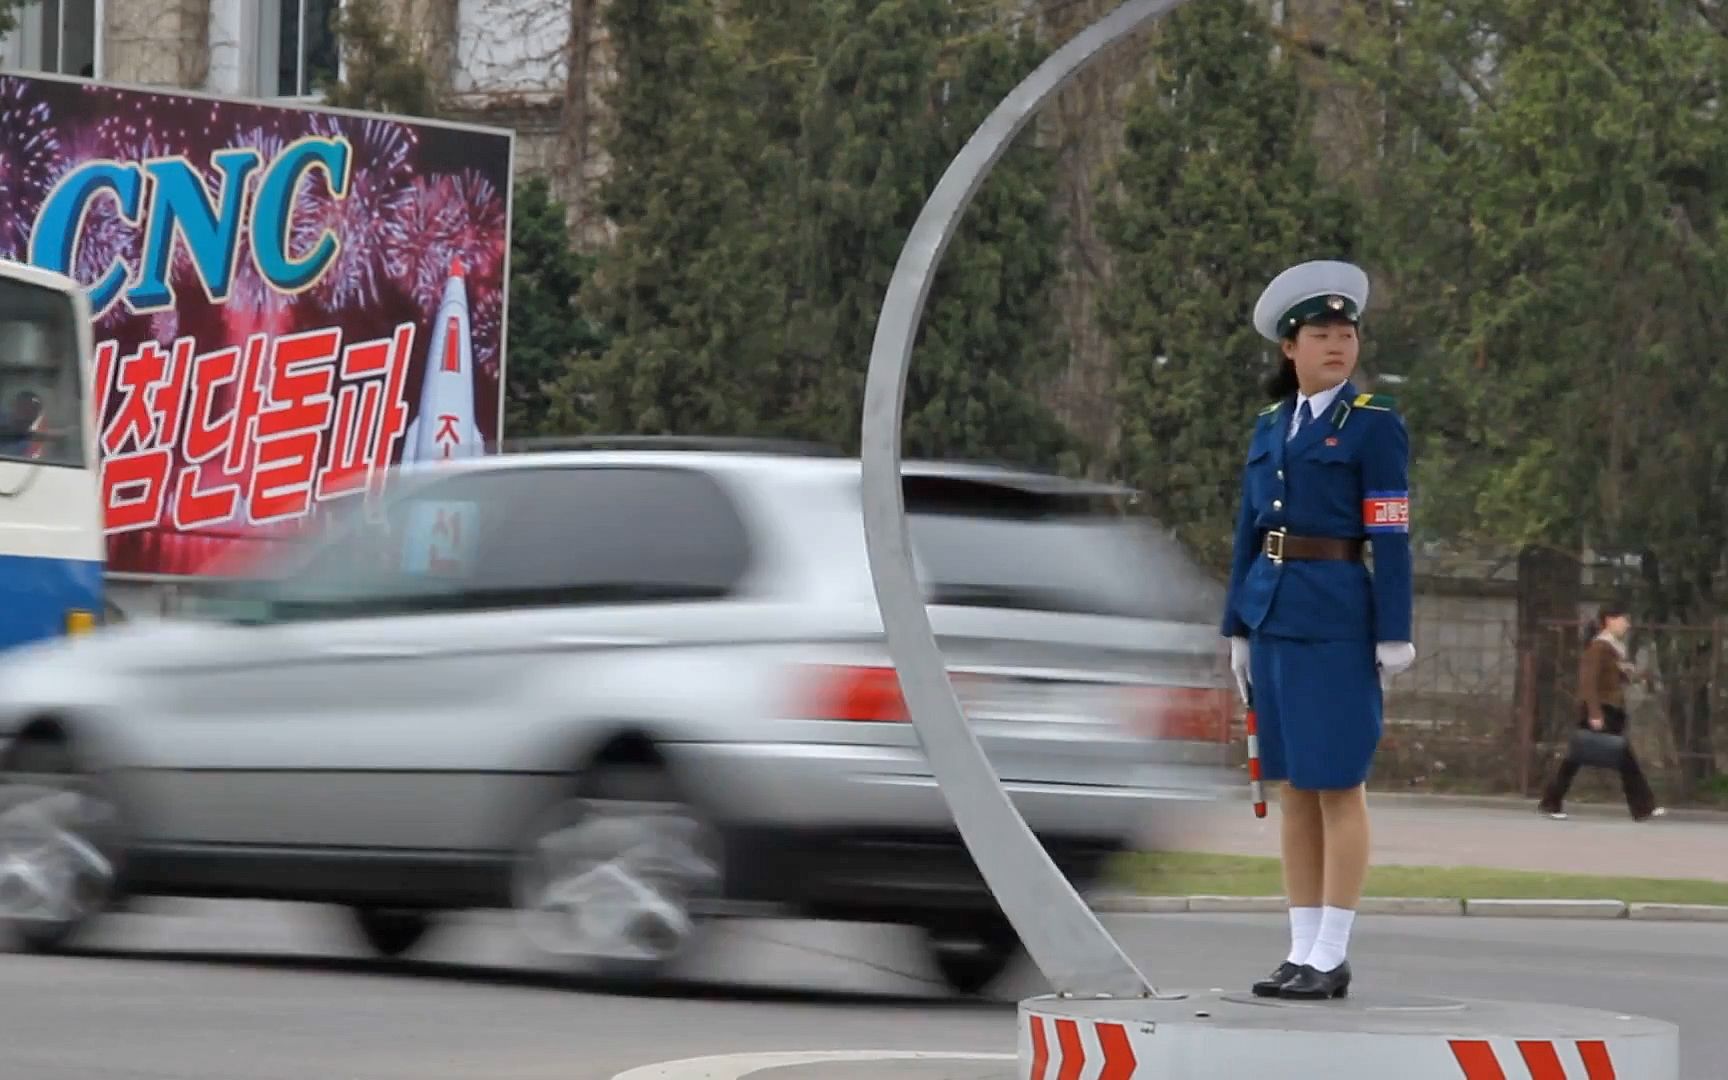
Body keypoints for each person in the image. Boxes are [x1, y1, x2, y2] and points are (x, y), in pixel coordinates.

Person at [1221, 259, 1415, 1001]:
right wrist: (1236, 623)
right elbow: (1248, 527)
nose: (1338, 345)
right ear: (1289, 348)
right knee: (1293, 786)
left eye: (1346, 333)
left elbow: (1391, 530)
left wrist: (1392, 629)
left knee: (1339, 783)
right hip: (1273, 610)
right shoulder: (1272, 426)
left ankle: (1333, 951)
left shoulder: (1371, 424)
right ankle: (1302, 949)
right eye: (1321, 334)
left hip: (1338, 614)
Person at [1537, 604, 1666, 822]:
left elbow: (1612, 679)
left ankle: (1551, 801)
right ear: (1609, 620)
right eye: (1623, 619)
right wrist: (1594, 713)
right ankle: (1643, 807)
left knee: (1580, 757)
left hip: (1611, 709)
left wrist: (1631, 674)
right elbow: (1588, 682)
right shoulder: (1599, 647)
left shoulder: (1614, 649)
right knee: (1606, 757)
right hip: (1601, 709)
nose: (1627, 624)